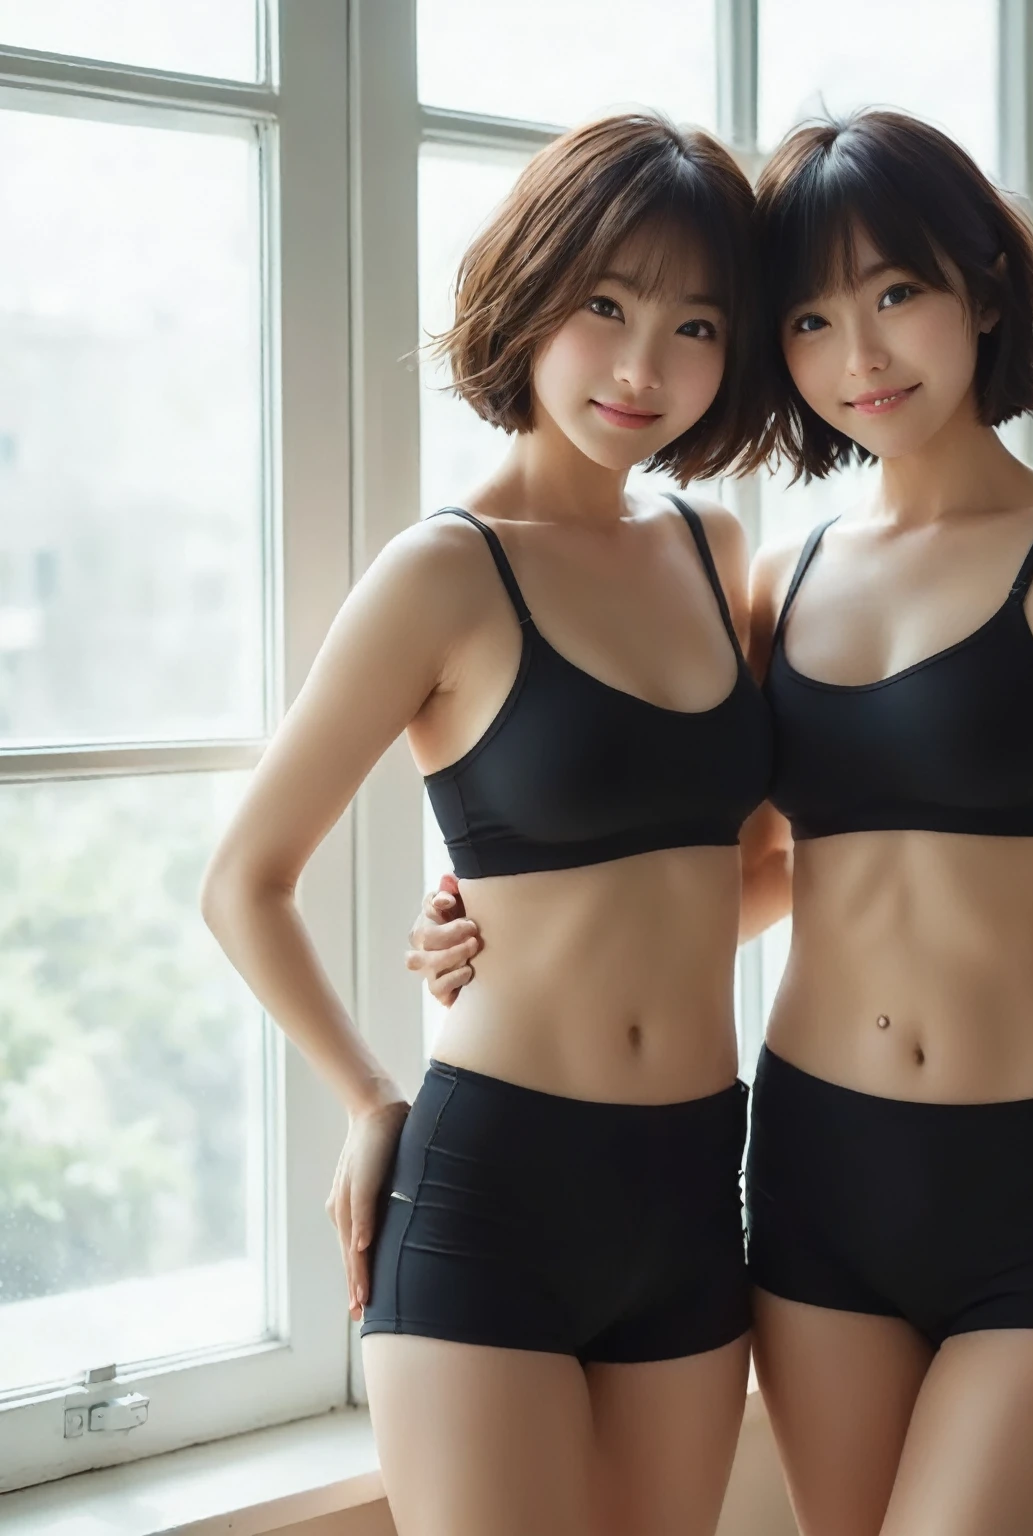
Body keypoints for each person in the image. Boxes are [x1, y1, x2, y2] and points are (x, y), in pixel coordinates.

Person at [409, 109, 1033, 1535]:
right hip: (817, 1166)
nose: (863, 356)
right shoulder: (782, 572)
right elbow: (731, 862)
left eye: (897, 295)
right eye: (816, 319)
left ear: (985, 292)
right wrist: (507, 932)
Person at [201, 112, 776, 1536]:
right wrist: (367, 1096)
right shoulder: (443, 575)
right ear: (528, 294)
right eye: (606, 305)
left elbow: (755, 870)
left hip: (700, 1180)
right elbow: (244, 881)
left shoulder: (717, 553)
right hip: (491, 1189)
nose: (646, 366)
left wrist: (1026, 893)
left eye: (696, 325)